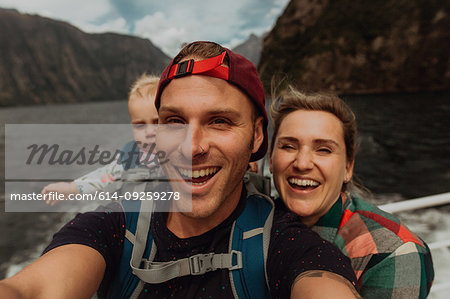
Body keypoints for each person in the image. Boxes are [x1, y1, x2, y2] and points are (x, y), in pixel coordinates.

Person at [0, 42, 361, 298]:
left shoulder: (282, 242)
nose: (191, 147)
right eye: (173, 121)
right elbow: (31, 289)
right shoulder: (114, 225)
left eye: (219, 121)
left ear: (256, 137)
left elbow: (322, 282)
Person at [269, 87, 435, 298]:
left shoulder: (393, 253)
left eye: (324, 150)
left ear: (348, 167)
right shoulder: (251, 223)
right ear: (271, 159)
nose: (302, 163)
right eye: (288, 146)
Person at [41, 74, 160, 205]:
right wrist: (71, 188)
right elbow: (103, 177)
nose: (149, 132)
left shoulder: (181, 156)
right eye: (140, 125)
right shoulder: (129, 158)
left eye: (158, 122)